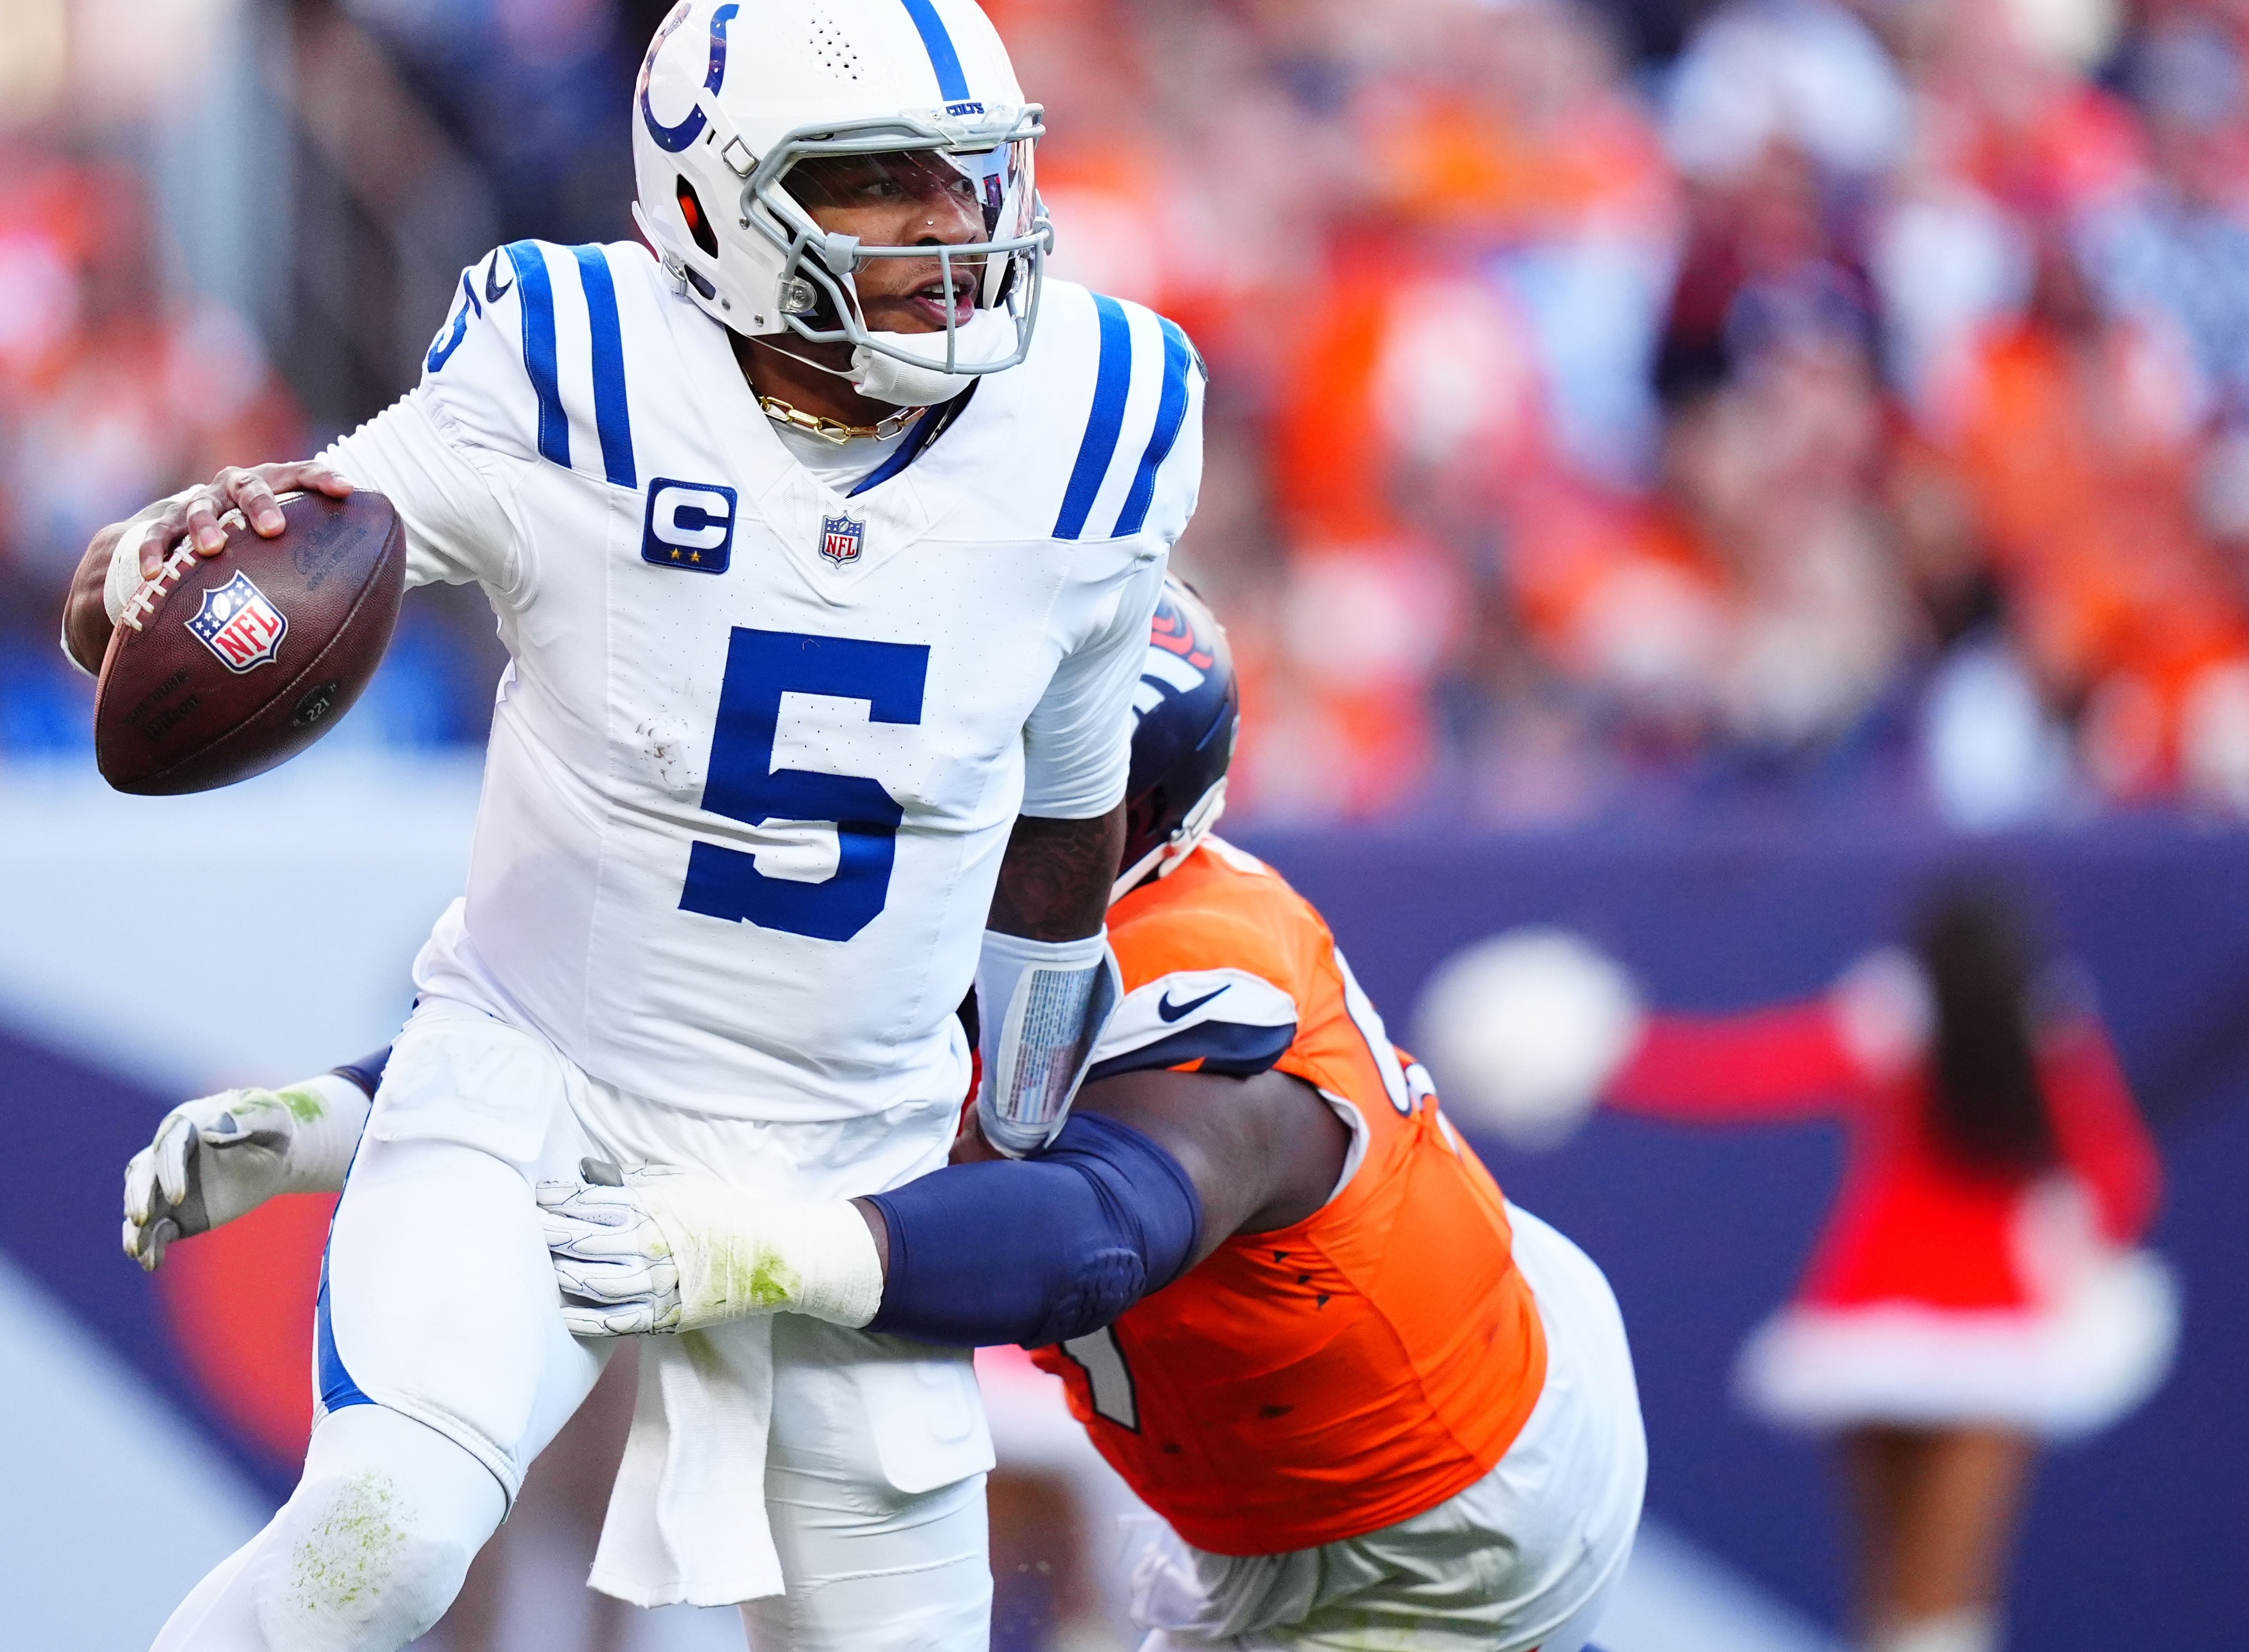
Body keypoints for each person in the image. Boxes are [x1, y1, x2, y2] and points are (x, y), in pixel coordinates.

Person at [75, 0, 1202, 1650]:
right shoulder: (573, 365)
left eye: (964, 174)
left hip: (853, 1162)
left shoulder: (1100, 411)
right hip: (547, 1100)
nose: (943, 231)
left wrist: (1016, 1126)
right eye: (873, 187)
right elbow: (278, 542)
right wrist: (134, 580)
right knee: (378, 1541)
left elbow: (1064, 806)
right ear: (711, 211)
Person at [135, 582, 1647, 1652]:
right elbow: (661, 1048)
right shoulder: (931, 909)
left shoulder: (1207, 975)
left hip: (1442, 1508)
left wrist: (785, 1246)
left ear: (1108, 813)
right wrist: (341, 1111)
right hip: (1275, 1481)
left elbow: (1096, 1231)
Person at [1416, 885, 2172, 1652]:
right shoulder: (2047, 1042)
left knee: (1888, 1590)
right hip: (1993, 1335)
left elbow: (1741, 1073)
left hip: (1866, 1325)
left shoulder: (1888, 1025)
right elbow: (2120, 1177)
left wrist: (1601, 1054)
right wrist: (2067, 1238)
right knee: (1949, 1592)